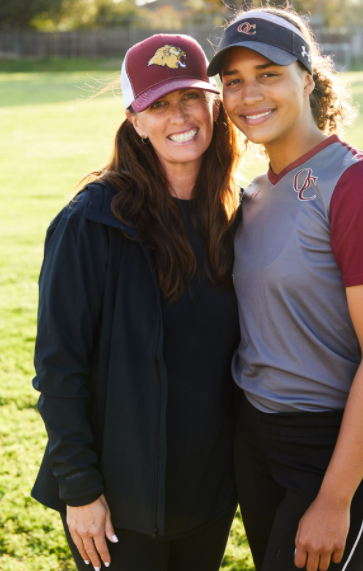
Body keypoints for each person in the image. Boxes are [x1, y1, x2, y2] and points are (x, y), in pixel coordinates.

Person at [207, 7, 363, 571]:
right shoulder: (252, 193)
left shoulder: (359, 184)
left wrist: (334, 497)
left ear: (308, 77)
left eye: (268, 73)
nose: (249, 94)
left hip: (331, 447)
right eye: (233, 81)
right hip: (256, 439)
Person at [31, 33, 243, 571]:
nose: (180, 116)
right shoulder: (92, 221)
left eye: (191, 97)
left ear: (213, 104)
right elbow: (59, 368)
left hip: (209, 495)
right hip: (118, 504)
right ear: (135, 118)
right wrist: (79, 489)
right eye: (160, 103)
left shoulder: (234, 215)